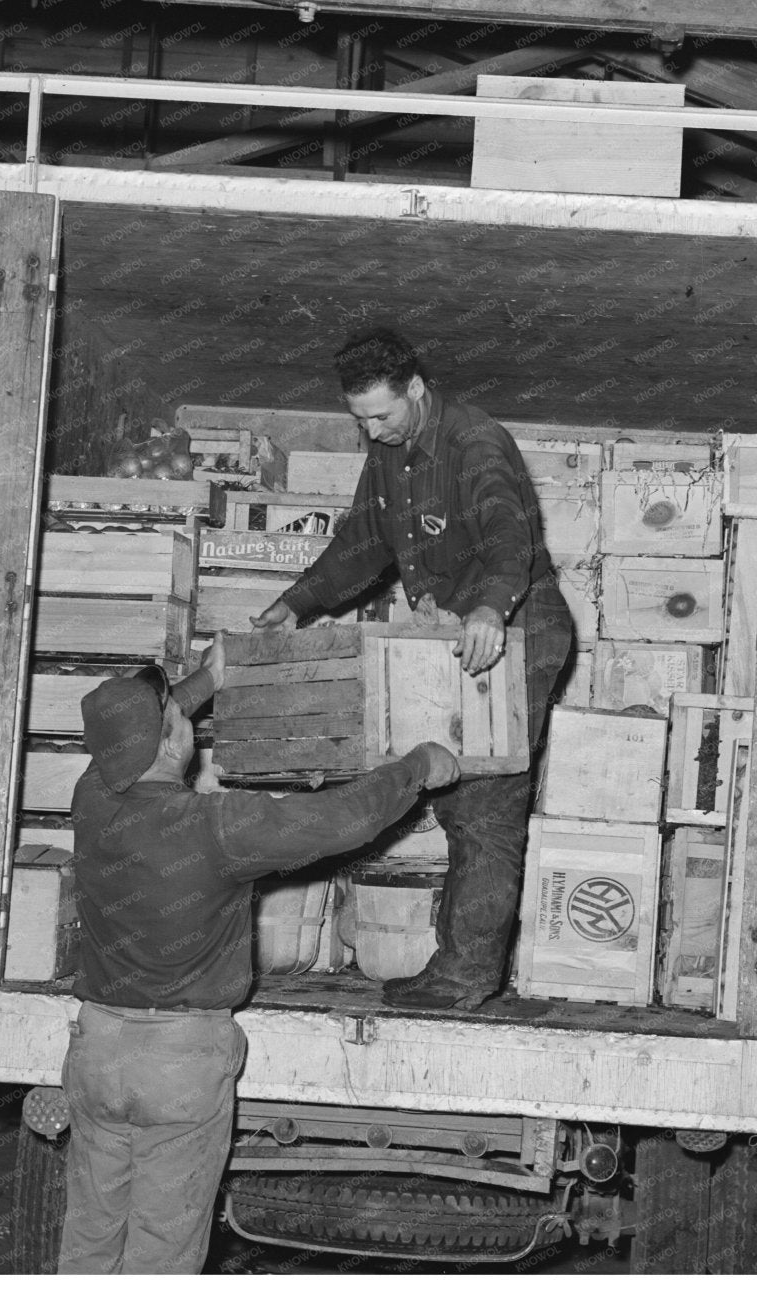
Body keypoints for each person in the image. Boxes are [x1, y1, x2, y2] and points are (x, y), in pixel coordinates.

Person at [58, 643, 461, 1273]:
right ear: (170, 741)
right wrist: (416, 766)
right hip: (178, 1064)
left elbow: (139, 741)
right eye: (176, 716)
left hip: (98, 1052)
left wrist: (208, 680)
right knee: (161, 1252)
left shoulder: (91, 798)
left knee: (90, 1236)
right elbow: (343, 818)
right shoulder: (215, 826)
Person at [251, 327, 576, 1012]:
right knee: (459, 801)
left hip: (520, 627)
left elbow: (506, 534)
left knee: (485, 807)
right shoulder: (388, 454)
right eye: (360, 418)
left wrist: (491, 607)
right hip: (457, 634)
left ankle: (465, 975)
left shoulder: (474, 442)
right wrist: (295, 603)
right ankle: (458, 964)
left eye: (383, 414)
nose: (373, 429)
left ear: (418, 391)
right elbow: (361, 545)